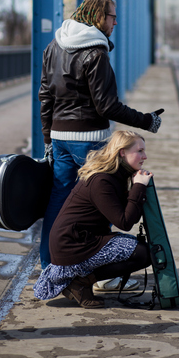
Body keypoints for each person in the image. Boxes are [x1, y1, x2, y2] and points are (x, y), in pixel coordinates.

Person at [38, 0, 163, 292]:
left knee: (58, 204)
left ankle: (49, 268)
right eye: (112, 16)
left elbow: (45, 96)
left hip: (60, 138)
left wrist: (47, 139)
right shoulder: (96, 52)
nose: (115, 22)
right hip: (90, 141)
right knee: (106, 203)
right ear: (97, 17)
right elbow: (107, 107)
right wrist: (147, 121)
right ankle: (102, 277)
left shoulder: (54, 45)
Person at [33, 131, 153, 308]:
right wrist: (139, 187)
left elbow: (125, 214)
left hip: (82, 240)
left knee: (140, 249)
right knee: (144, 253)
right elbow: (125, 222)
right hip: (72, 245)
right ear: (122, 152)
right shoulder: (102, 180)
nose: (145, 156)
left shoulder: (115, 174)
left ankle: (82, 281)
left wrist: (136, 188)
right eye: (140, 151)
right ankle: (80, 283)